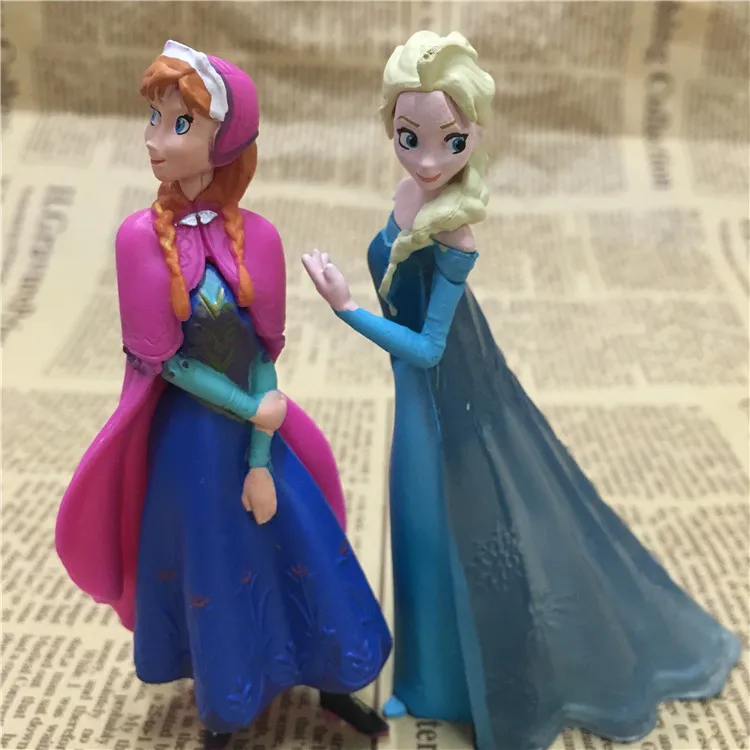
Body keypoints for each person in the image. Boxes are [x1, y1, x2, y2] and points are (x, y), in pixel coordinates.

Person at [302, 29, 741, 750]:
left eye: (451, 141)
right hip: (414, 401)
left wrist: (346, 307)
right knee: (415, 534)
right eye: (410, 138)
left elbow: (428, 348)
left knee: (451, 531)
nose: (429, 160)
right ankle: (424, 680)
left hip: (442, 401)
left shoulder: (456, 237)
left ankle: (469, 684)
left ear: (475, 135)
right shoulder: (407, 195)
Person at [55, 40, 391, 750]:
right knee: (211, 556)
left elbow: (263, 354)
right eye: (153, 118)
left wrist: (262, 451)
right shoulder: (138, 241)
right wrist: (248, 411)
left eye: (179, 124)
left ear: (225, 140)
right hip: (193, 443)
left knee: (303, 539)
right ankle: (223, 705)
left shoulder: (258, 237)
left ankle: (334, 679)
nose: (154, 139)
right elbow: (166, 364)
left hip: (254, 434)